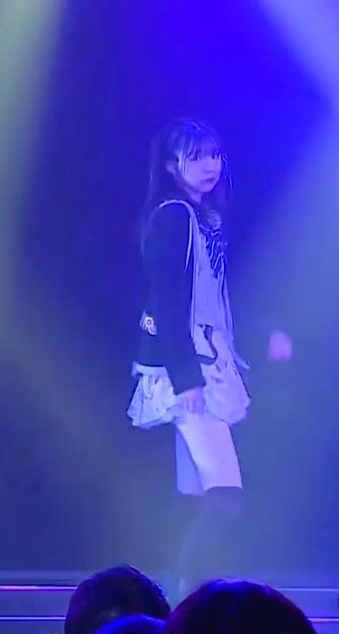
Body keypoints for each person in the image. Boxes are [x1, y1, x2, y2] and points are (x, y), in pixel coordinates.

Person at [126, 119, 292, 596]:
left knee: (194, 497)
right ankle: (185, 598)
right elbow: (167, 302)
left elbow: (216, 301)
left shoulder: (204, 220)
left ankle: (169, 593)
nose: (210, 165)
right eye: (197, 156)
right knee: (224, 497)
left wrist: (262, 333)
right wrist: (187, 380)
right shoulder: (175, 216)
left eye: (215, 155)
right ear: (171, 165)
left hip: (205, 361)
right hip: (189, 369)